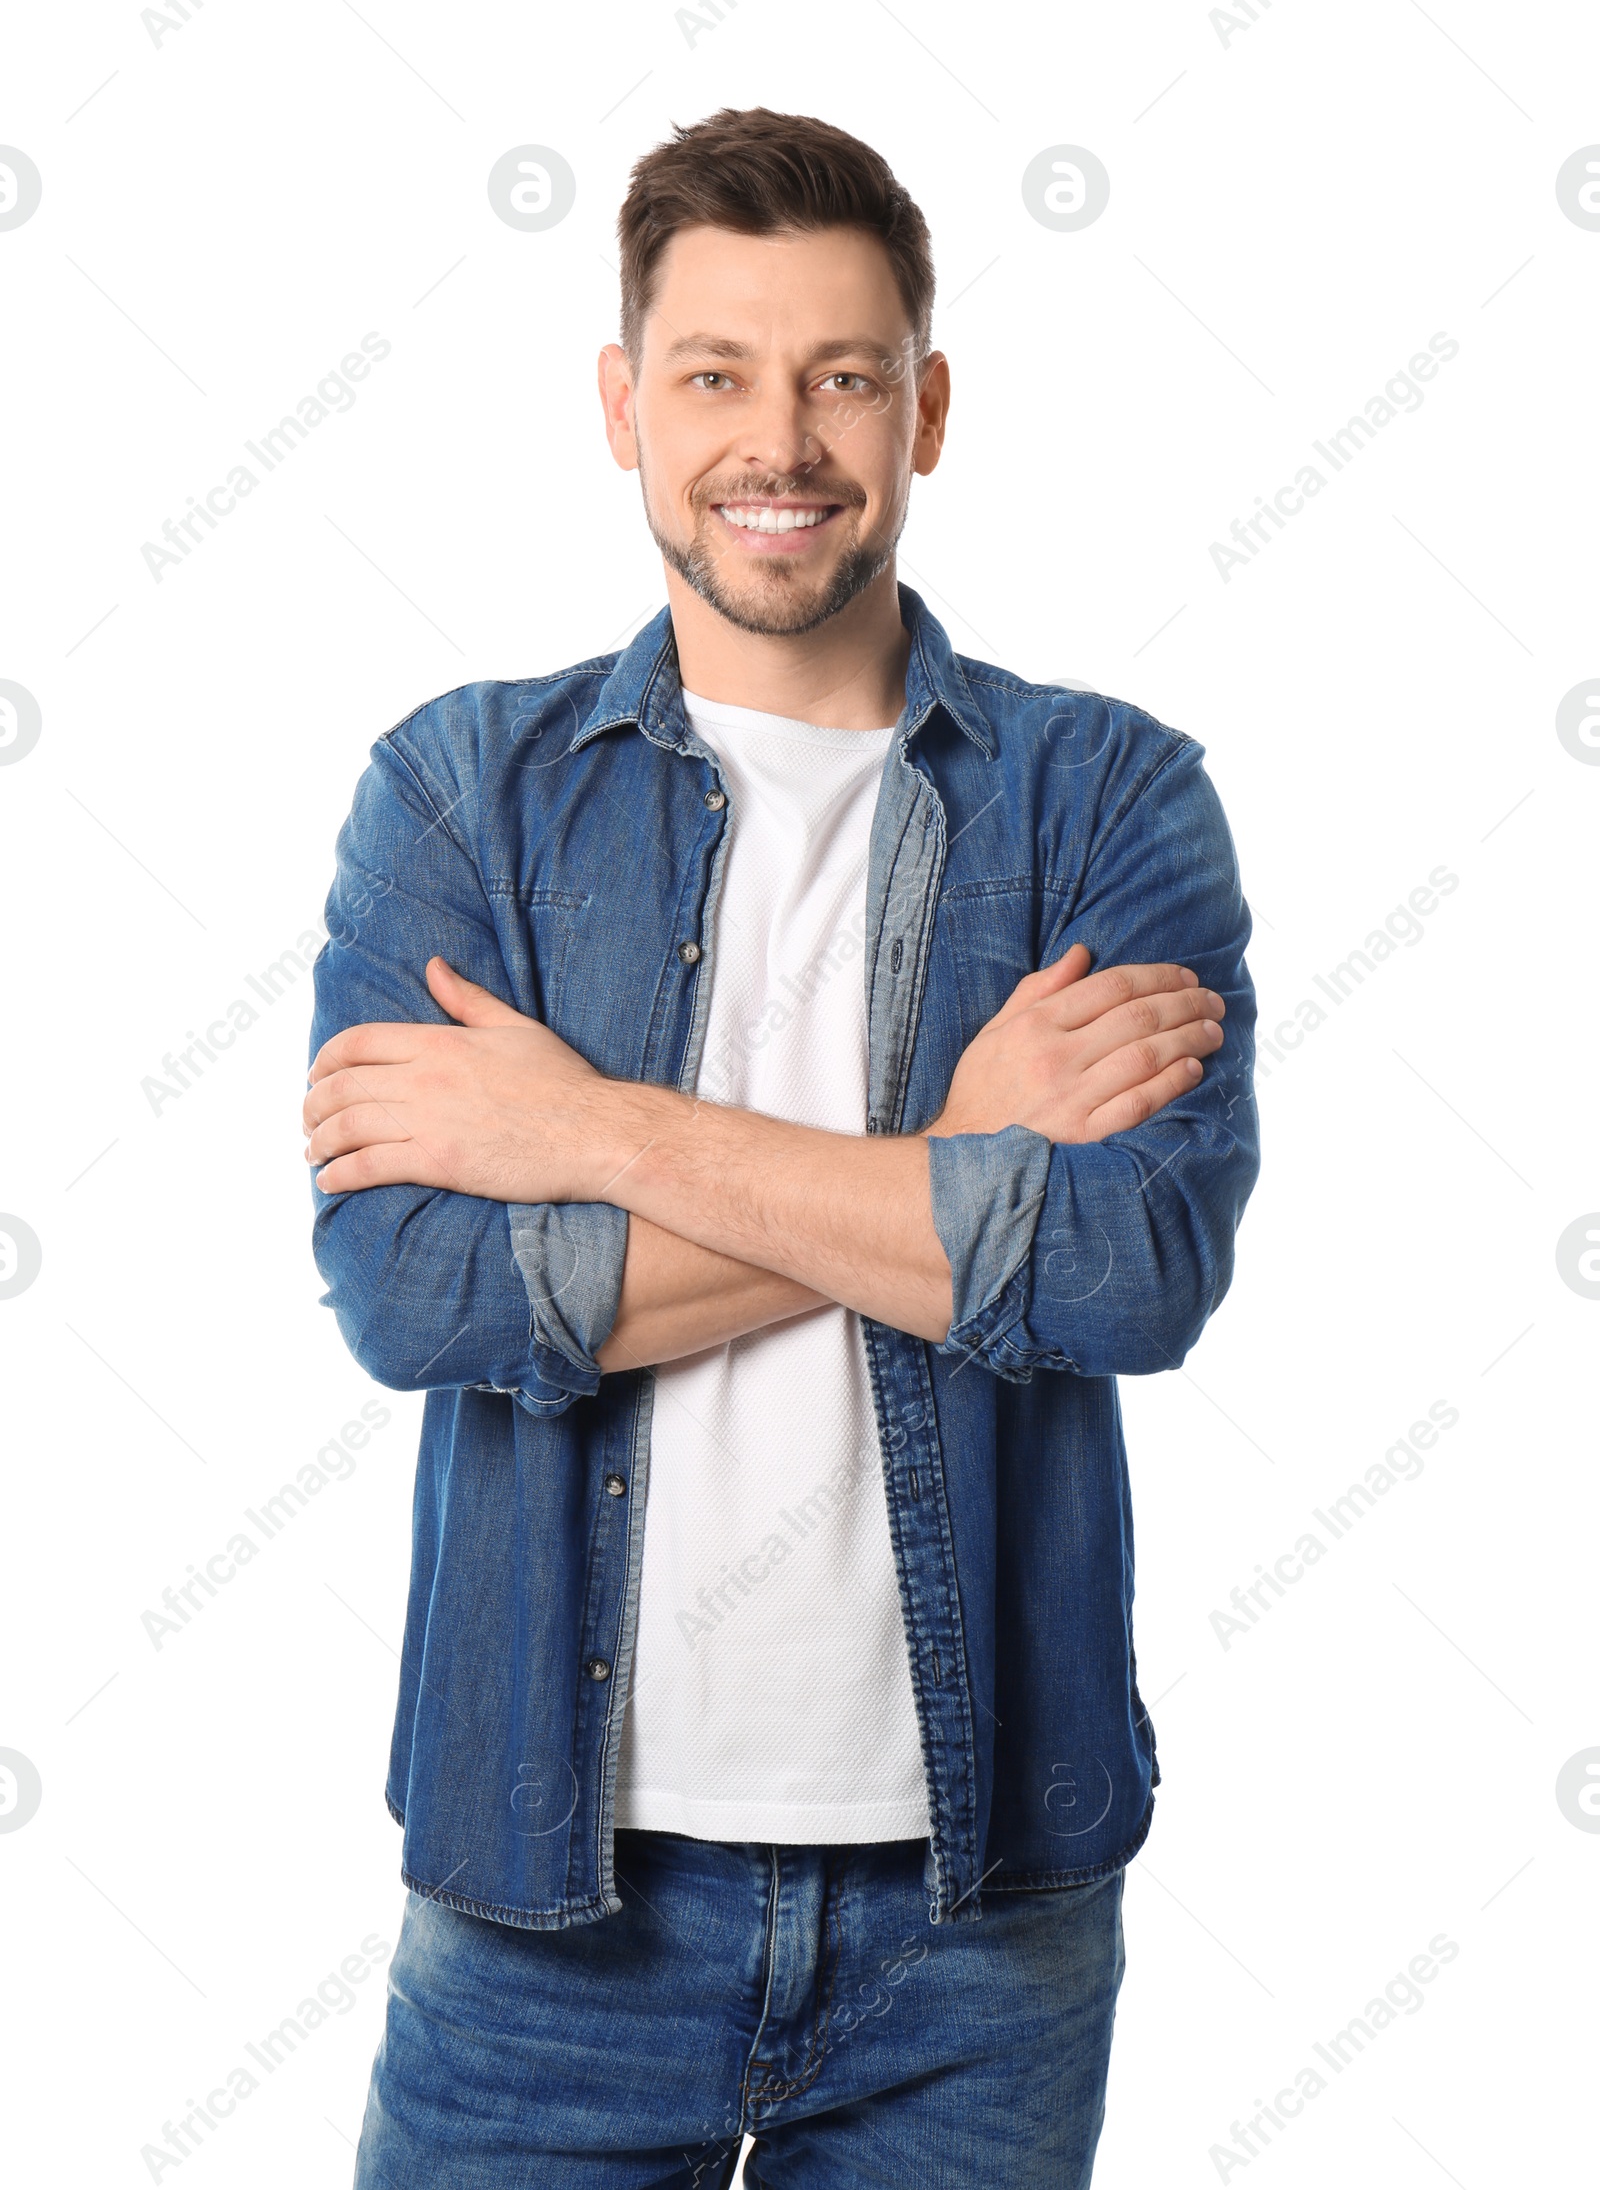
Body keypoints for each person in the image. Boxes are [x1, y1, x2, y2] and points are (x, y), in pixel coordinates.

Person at [304, 106, 1259, 2188]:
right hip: (545, 1904)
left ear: (924, 408)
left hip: (978, 1921)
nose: (781, 441)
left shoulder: (1102, 800)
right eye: (716, 374)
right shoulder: (462, 793)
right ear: (620, 406)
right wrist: (953, 1156)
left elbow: (1124, 1274)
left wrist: (584, 1135)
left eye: (840, 376)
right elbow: (416, 1293)